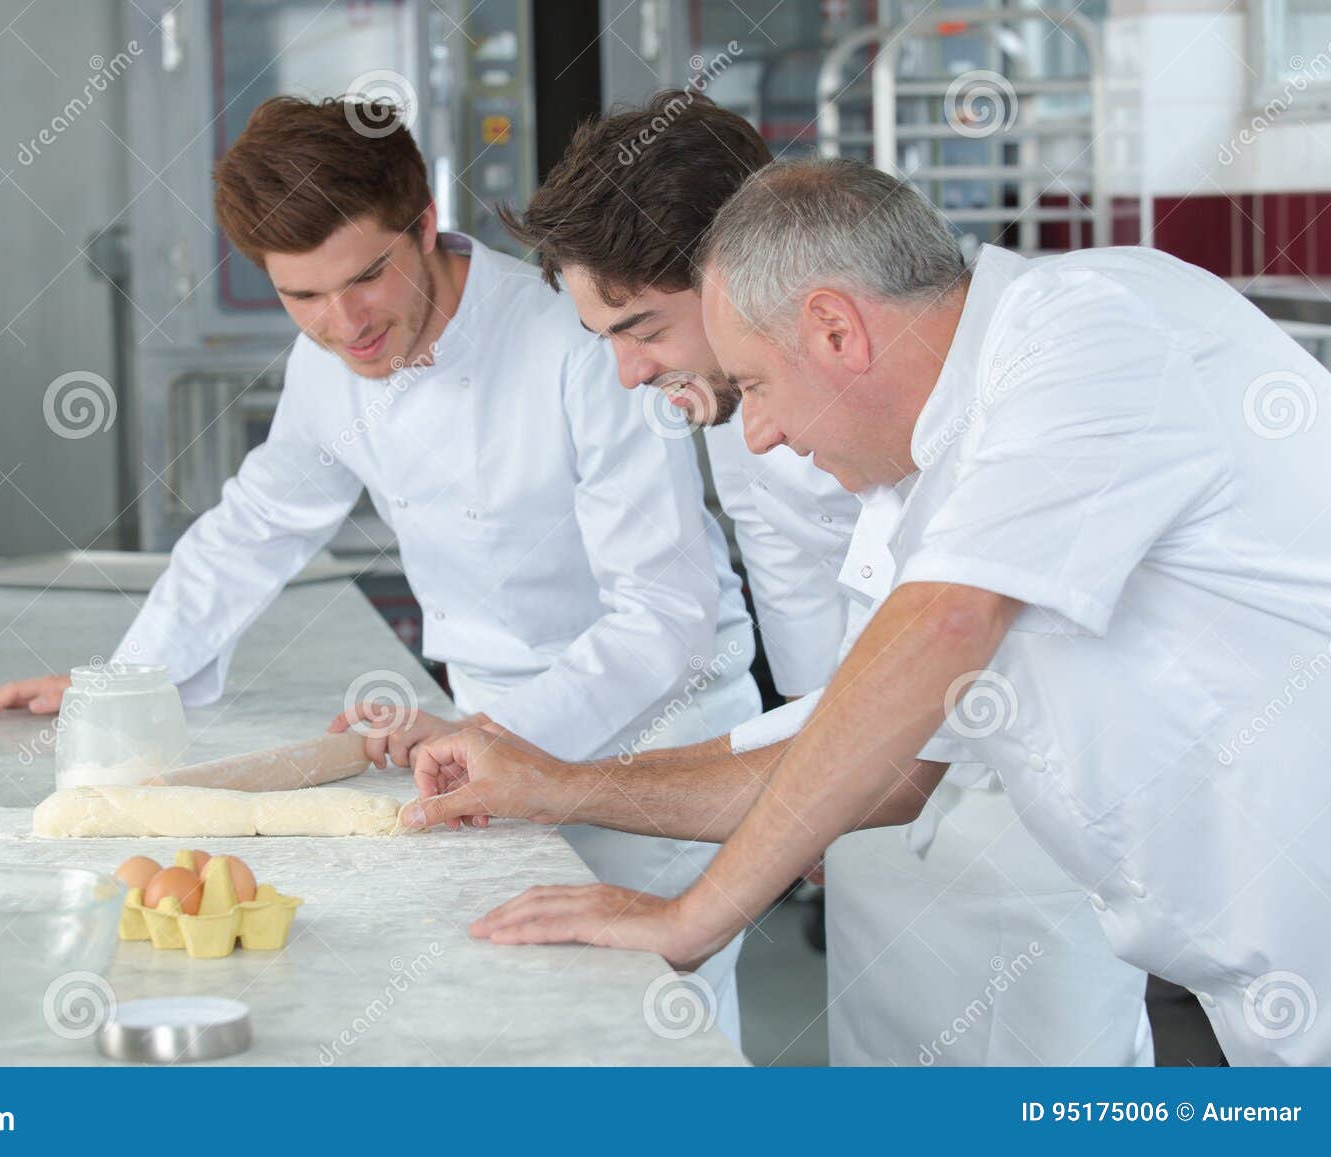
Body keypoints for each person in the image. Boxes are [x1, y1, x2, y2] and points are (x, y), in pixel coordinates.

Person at [403, 156, 1331, 1067]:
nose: (756, 430)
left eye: (758, 385)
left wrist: (693, 917)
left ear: (836, 330)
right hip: (1264, 995)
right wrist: (559, 784)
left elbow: (945, 626)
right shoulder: (923, 481)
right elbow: (882, 762)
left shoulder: (1089, 323)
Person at [0, 95, 759, 1044]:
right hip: (481, 757)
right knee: (519, 1038)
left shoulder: (575, 339)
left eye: (368, 276)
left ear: (425, 223)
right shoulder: (334, 361)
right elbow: (260, 519)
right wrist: (127, 681)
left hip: (656, 749)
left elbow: (664, 613)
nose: (344, 324)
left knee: (653, 1047)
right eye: (301, 297)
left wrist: (495, 737)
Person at [491, 92, 1151, 1066]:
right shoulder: (739, 414)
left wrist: (686, 886)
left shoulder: (1025, 370)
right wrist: (801, 813)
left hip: (1018, 818)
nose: (630, 373)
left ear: (740, 276)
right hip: (865, 802)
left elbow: (933, 642)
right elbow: (812, 632)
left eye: (641, 327)